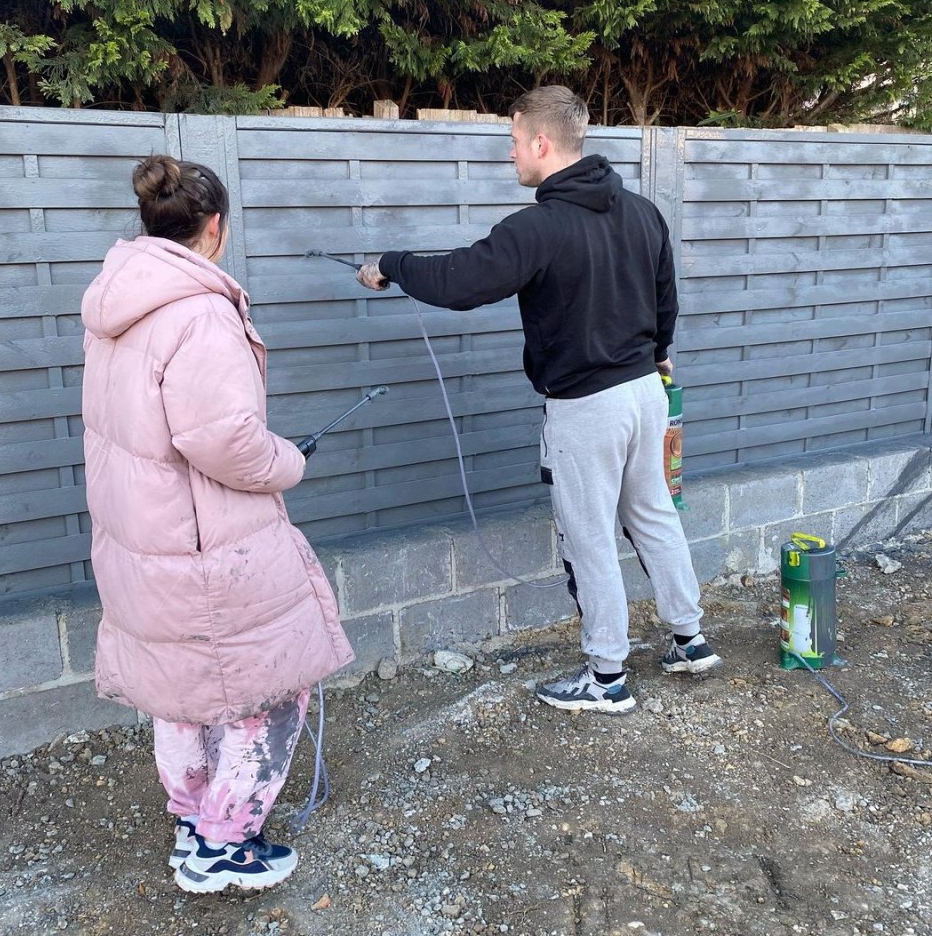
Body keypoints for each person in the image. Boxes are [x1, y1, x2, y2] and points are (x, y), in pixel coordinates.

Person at [356, 85, 721, 714]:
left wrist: (391, 263)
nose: (511, 155)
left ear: (542, 142)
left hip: (588, 405)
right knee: (653, 514)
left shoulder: (540, 226)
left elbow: (462, 281)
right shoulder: (642, 211)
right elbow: (666, 298)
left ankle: (606, 677)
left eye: (514, 141)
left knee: (588, 538)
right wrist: (658, 351)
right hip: (645, 392)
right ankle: (690, 639)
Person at [81, 154, 354, 892]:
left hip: (143, 544)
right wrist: (290, 461)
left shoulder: (117, 308)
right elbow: (224, 442)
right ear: (215, 229)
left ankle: (193, 825)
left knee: (179, 686)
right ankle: (225, 846)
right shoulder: (199, 312)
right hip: (206, 549)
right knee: (267, 691)